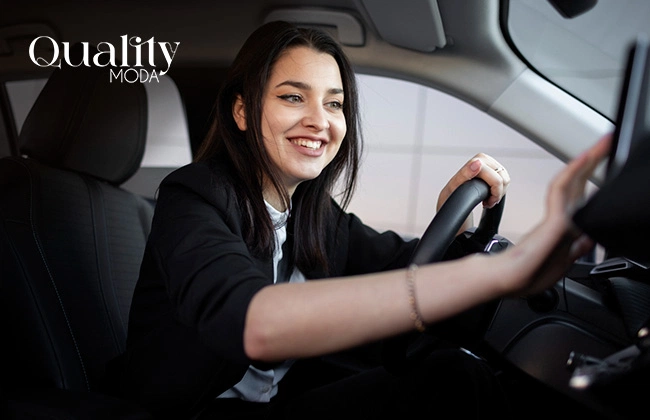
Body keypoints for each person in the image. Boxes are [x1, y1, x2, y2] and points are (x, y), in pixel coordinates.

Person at [105, 20, 611, 420]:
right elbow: (254, 324)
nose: (319, 121)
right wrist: (499, 271)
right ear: (242, 111)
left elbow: (401, 266)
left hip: (277, 403)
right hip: (199, 414)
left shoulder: (312, 213)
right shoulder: (192, 199)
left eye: (335, 104)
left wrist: (457, 229)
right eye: (291, 97)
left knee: (451, 376)